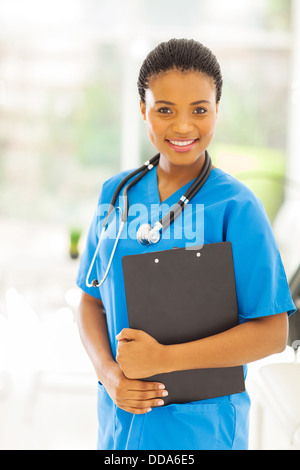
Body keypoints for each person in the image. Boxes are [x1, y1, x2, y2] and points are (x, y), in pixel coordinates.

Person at [76, 38, 296, 450]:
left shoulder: (237, 207)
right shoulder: (116, 193)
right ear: (143, 109)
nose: (182, 126)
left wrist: (164, 360)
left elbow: (272, 331)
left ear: (217, 110)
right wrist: (109, 376)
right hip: (121, 421)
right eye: (164, 110)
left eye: (199, 109)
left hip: (204, 428)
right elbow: (90, 299)